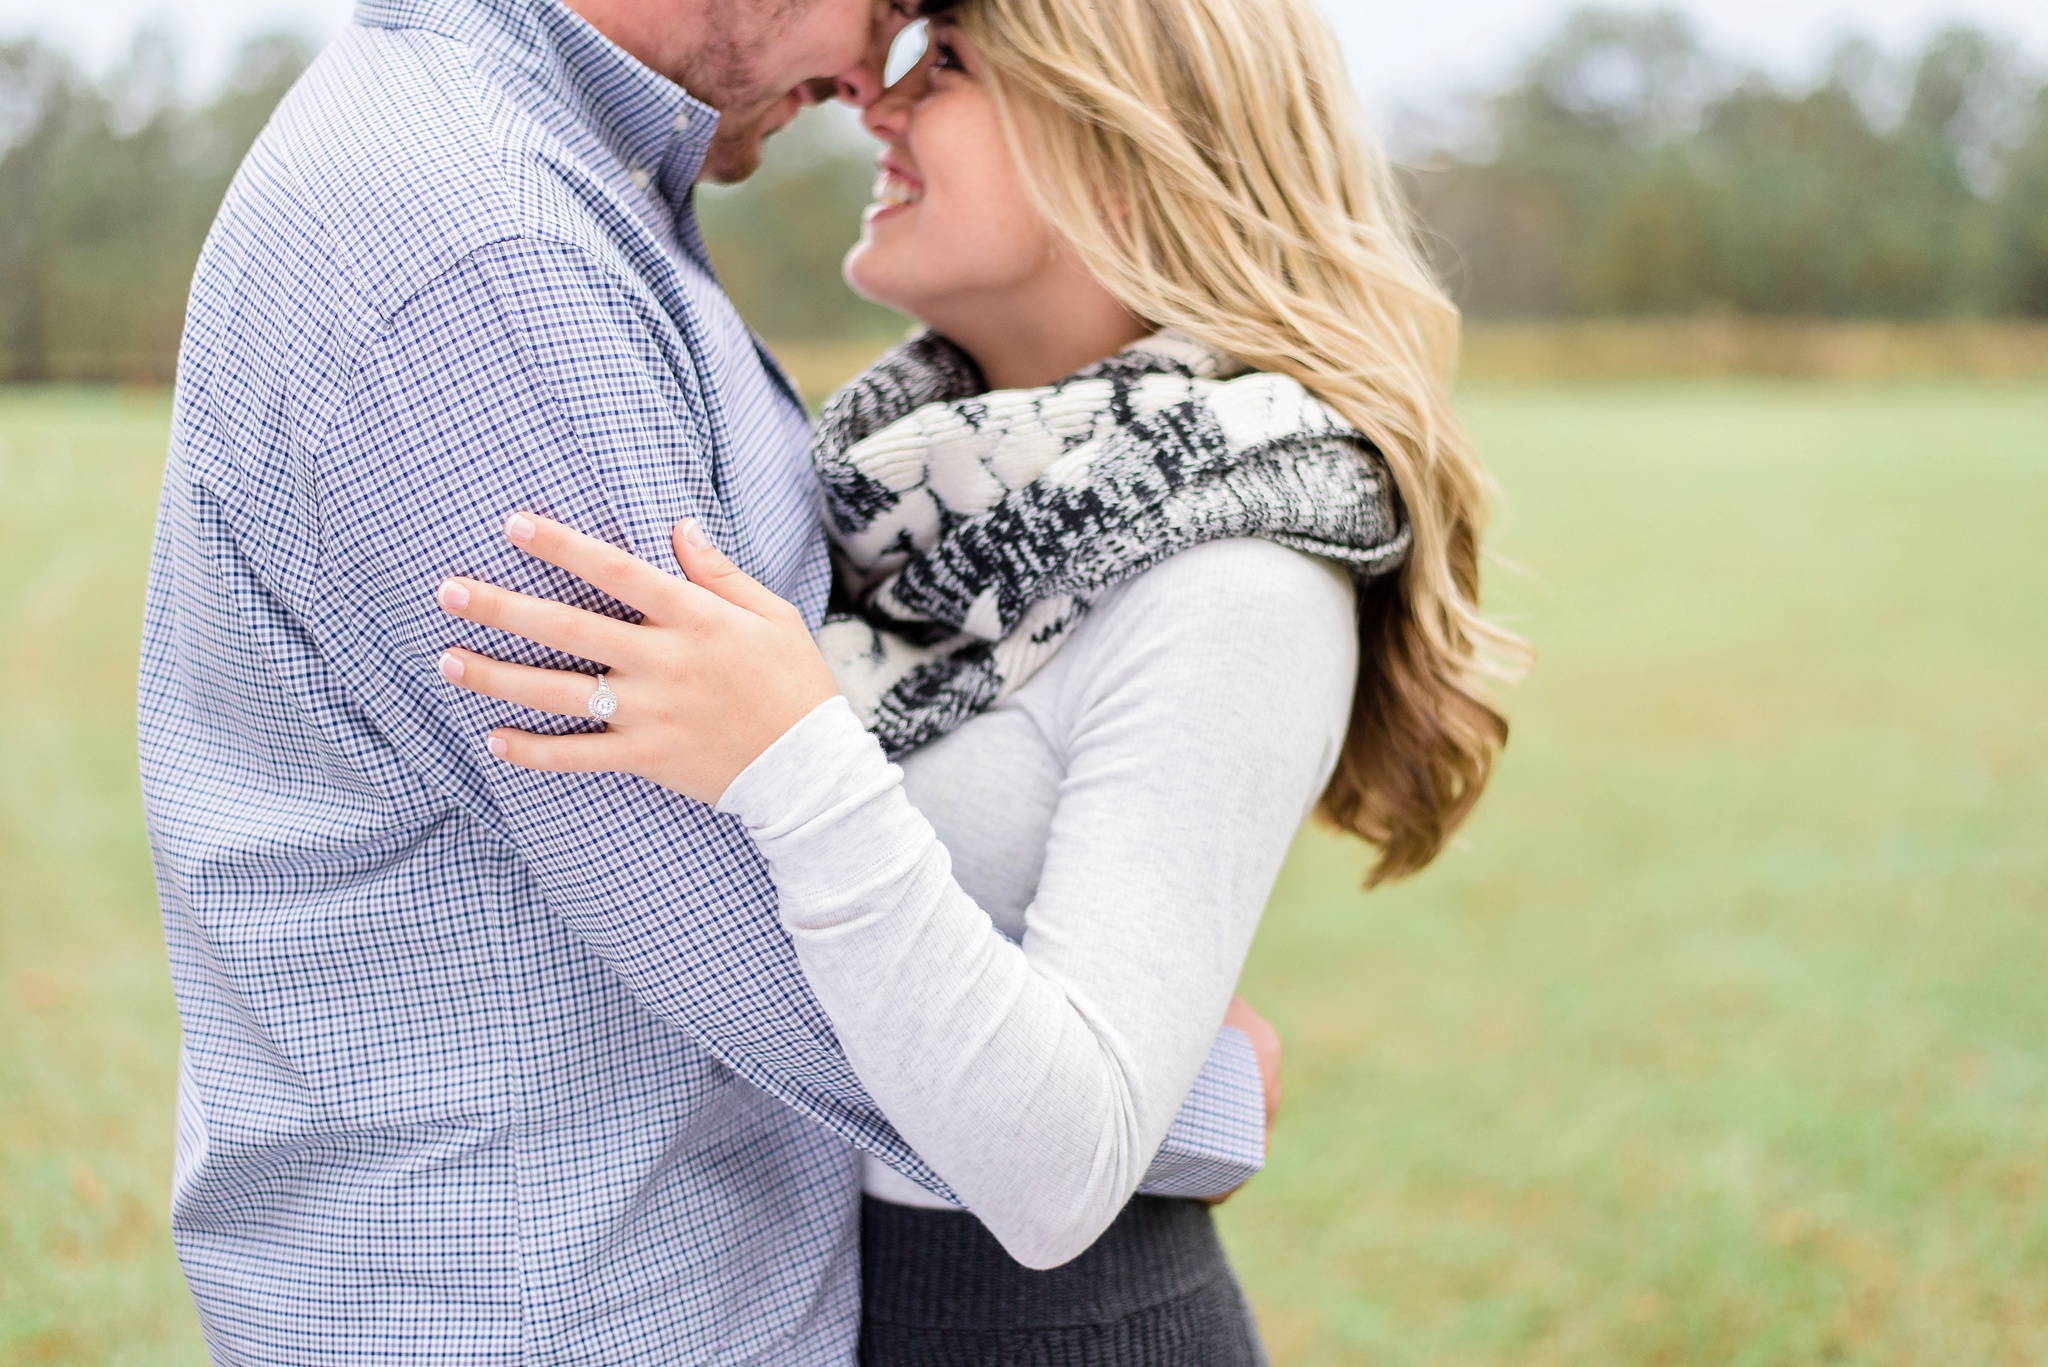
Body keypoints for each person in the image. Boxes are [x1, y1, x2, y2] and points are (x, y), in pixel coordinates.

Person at [137, 0, 1275, 1359]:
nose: (874, 82)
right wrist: (1151, 1099)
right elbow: (714, 902)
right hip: (555, 1311)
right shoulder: (485, 249)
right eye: (895, 13)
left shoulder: (538, 176)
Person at [432, 0, 1523, 1359]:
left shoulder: (1238, 574)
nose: (873, 104)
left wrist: (796, 757)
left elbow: (1063, 1166)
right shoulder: (903, 504)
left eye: (943, 66)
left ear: (1120, 142)